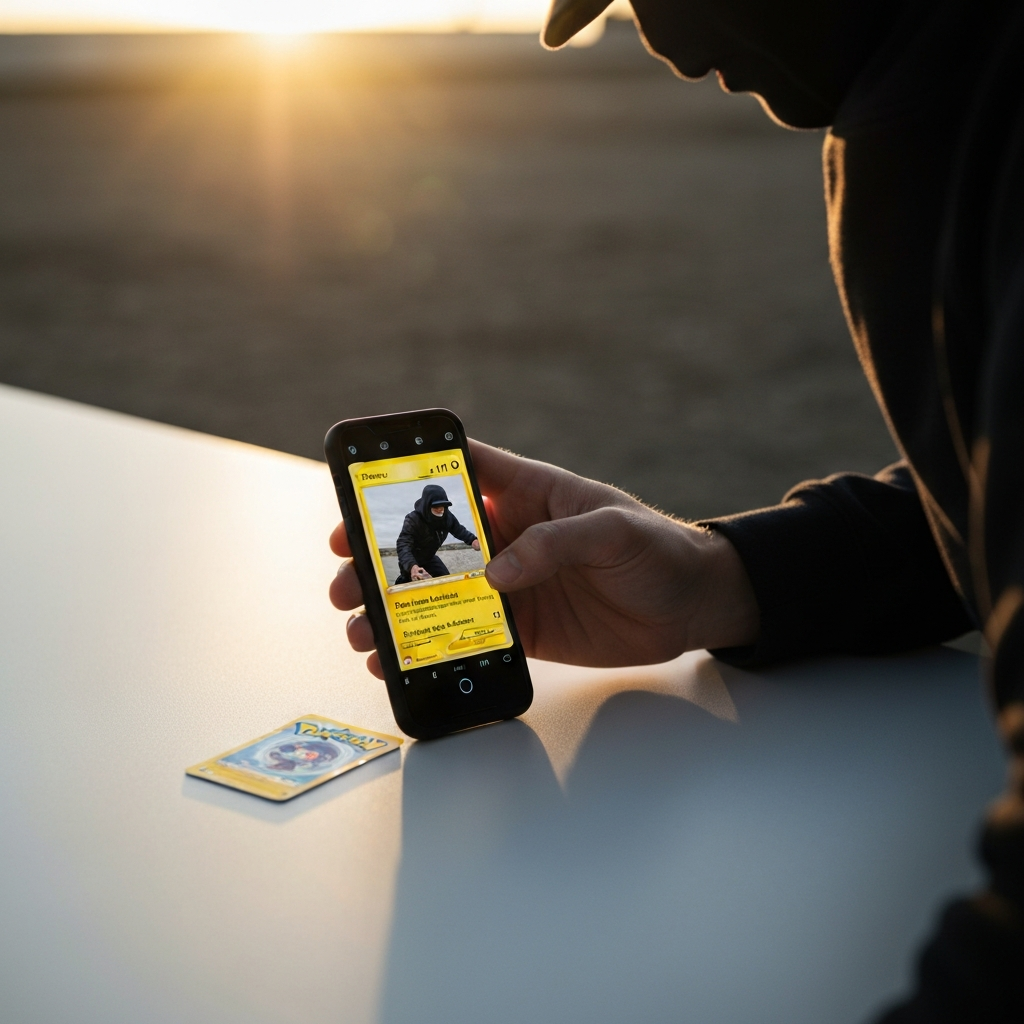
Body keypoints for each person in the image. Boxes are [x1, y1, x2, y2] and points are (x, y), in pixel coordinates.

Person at [332, 0, 1024, 1019]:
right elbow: (983, 490)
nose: (666, 44)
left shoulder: (980, 125)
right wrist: (721, 578)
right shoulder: (953, 91)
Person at [394, 483, 480, 584]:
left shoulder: (448, 517)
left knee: (447, 581)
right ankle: (403, 579)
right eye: (436, 506)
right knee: (415, 585)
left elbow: (459, 530)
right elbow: (403, 545)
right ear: (427, 505)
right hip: (411, 561)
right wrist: (412, 567)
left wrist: (473, 540)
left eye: (443, 505)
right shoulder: (413, 519)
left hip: (430, 558)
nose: (440, 509)